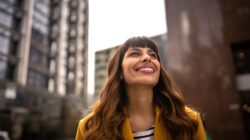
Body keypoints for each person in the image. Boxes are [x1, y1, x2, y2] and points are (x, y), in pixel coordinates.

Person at [75, 36, 206, 140]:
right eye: (135, 53)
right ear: (120, 72)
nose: (147, 57)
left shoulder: (189, 121)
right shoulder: (89, 128)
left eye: (153, 55)